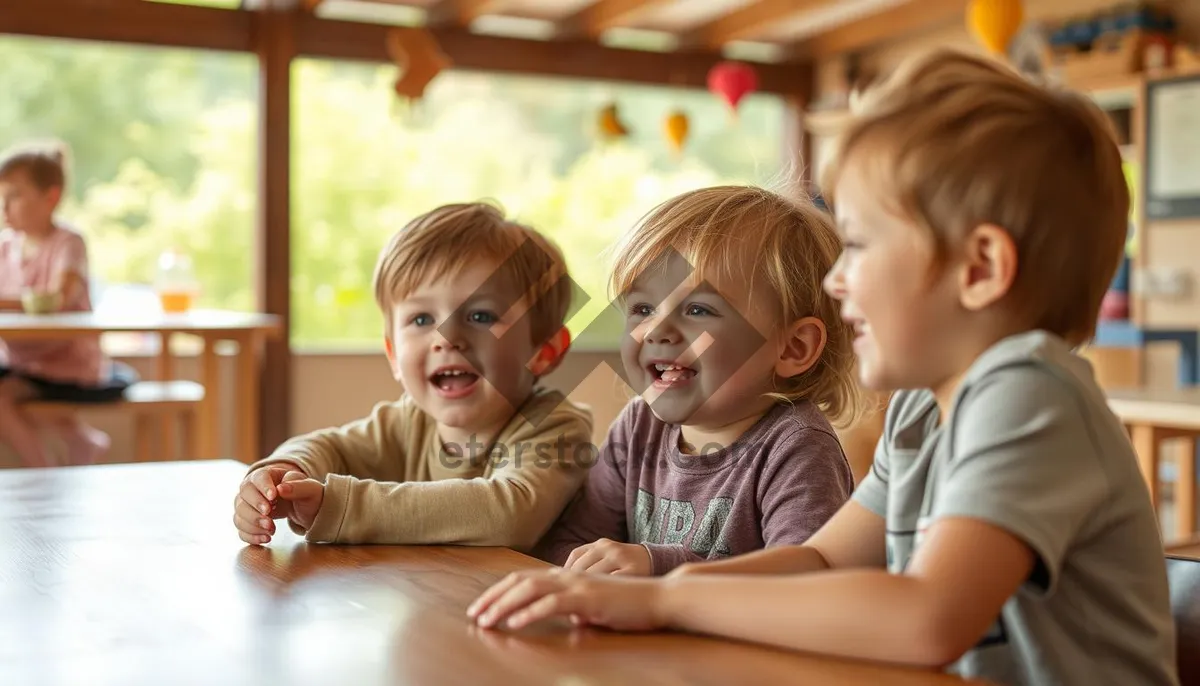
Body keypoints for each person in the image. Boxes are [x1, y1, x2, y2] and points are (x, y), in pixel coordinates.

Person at [467, 49, 1178, 686]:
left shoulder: (1028, 392)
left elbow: (928, 618)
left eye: (861, 246)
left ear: (981, 269)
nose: (837, 283)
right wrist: (645, 595)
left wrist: (666, 596)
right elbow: (823, 561)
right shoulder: (920, 409)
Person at [531, 185, 858, 576]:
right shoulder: (639, 427)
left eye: (698, 309)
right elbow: (569, 543)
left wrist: (658, 567)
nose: (656, 330)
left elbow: (802, 584)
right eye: (643, 308)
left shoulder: (796, 447)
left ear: (793, 349)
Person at [233, 202, 594, 550]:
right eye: (421, 319)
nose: (447, 339)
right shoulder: (407, 423)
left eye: (481, 317)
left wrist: (343, 507)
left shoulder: (555, 428)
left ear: (544, 351)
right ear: (393, 354)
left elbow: (508, 514)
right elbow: (331, 447)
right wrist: (283, 471)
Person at [0, 141, 135, 468]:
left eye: (15, 196)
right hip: (25, 360)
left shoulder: (68, 243)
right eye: (2, 197)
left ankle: (43, 472)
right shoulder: (6, 246)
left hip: (70, 364)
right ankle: (83, 441)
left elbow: (58, 298)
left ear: (51, 197)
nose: (5, 207)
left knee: (3, 398)